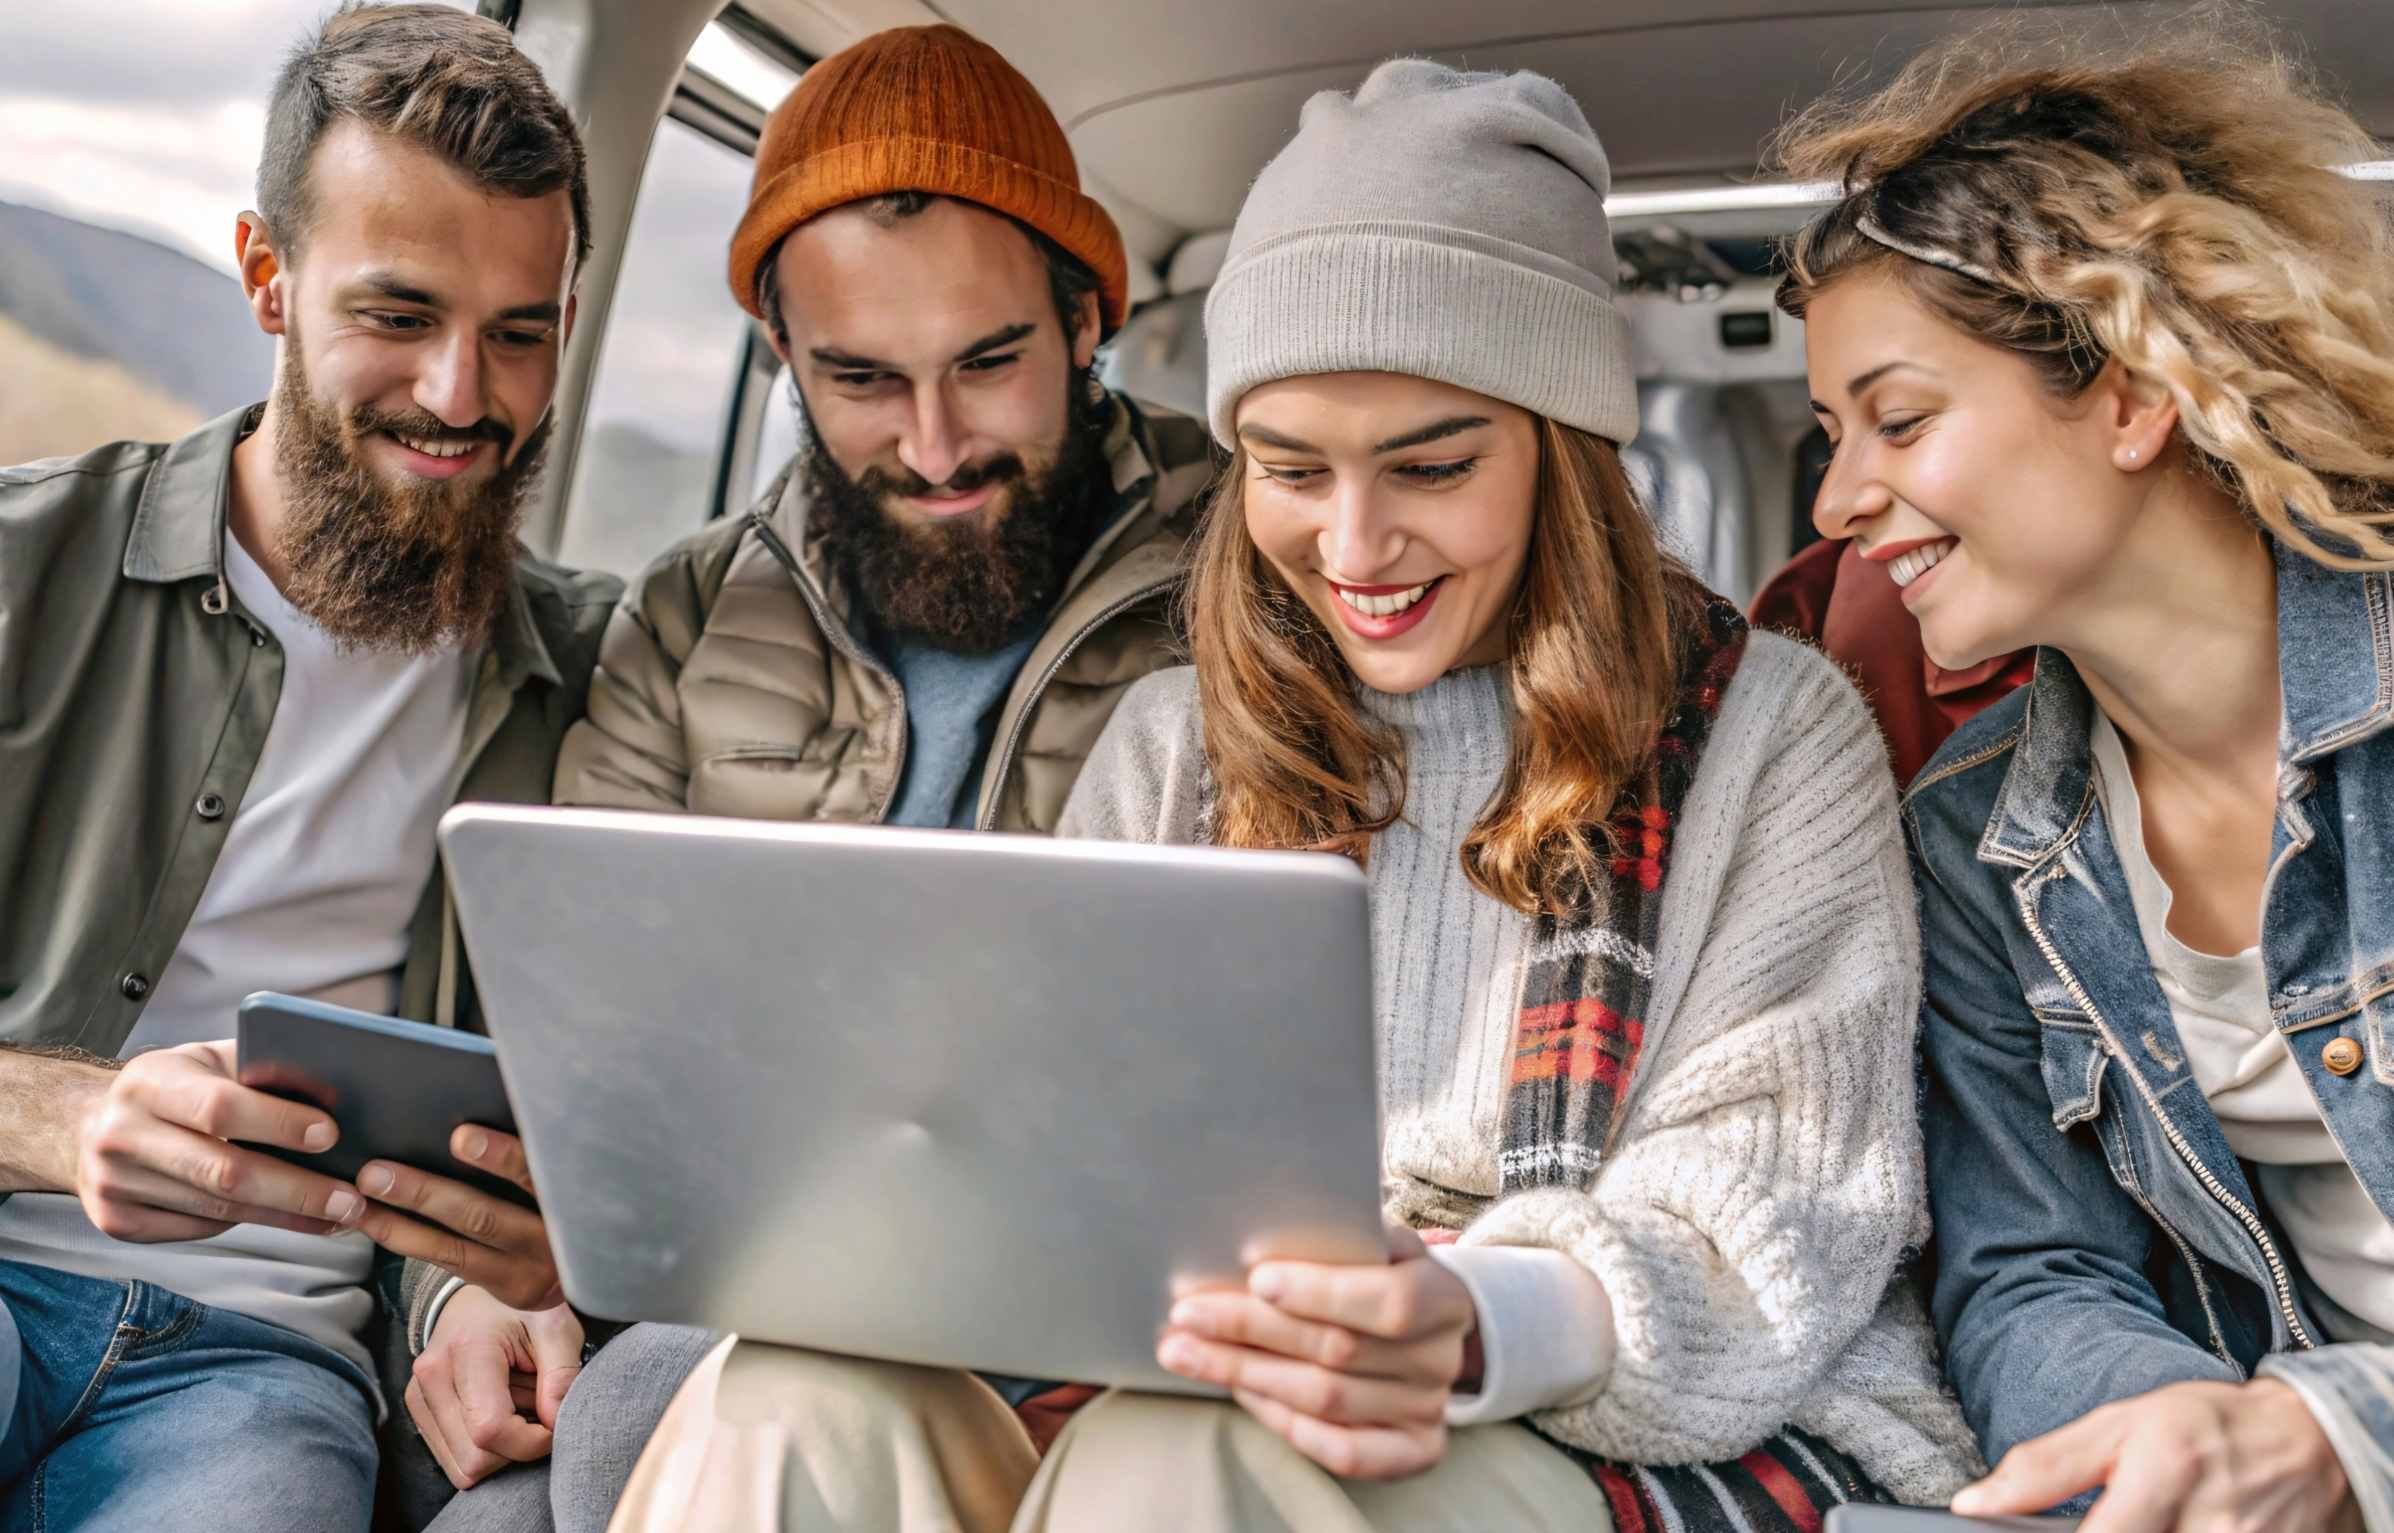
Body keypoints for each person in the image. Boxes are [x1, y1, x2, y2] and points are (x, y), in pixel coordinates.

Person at [600, 58, 1980, 1533]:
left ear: (1559, 451)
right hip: (1194, 1364)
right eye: (1288, 468)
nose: (1355, 543)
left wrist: (1472, 1313)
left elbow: (1777, 1211)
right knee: (787, 1395)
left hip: (1621, 1405)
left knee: (1183, 1464)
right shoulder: (1169, 744)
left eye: (1430, 465)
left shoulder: (1772, 736)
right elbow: (1051, 1149)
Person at [408, 25, 1215, 1532]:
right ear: (781, 355)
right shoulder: (690, 613)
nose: (933, 445)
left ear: (1086, 317)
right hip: (732, 1283)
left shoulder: (1251, 577)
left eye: (988, 364)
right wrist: (469, 1283)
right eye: (858, 377)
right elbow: (570, 1039)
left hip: (1100, 1313)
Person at [0, 6, 615, 1529]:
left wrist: (479, 1287)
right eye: (397, 315)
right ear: (269, 279)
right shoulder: (24, 568)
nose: (462, 395)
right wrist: (62, 1123)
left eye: (520, 331)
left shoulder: (602, 683)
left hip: (265, 1365)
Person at [1778, 13, 2394, 1530]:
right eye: (1826, 434)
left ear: (2129, 396)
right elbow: (2028, 1270)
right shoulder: (1970, 834)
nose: (1842, 498)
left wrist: (2335, 1433)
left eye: (1898, 420)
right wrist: (2173, 1449)